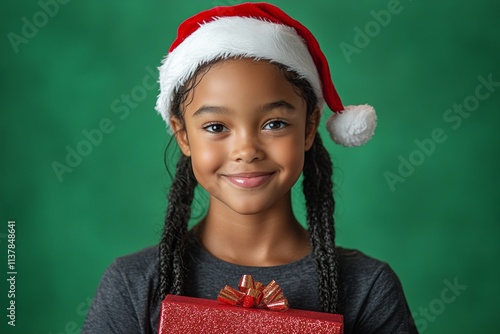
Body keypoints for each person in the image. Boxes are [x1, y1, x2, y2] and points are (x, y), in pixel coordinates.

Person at [83, 3, 417, 333]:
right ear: (183, 135)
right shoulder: (132, 285)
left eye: (274, 123)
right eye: (216, 127)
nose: (246, 150)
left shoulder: (367, 287)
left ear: (310, 127)